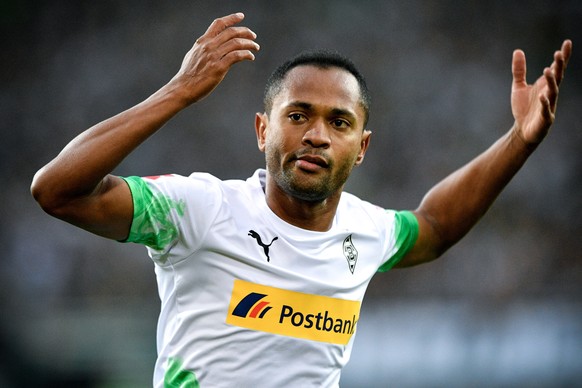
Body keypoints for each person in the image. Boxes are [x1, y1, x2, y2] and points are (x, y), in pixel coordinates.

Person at [31, 12, 571, 387]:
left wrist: (518, 142)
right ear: (263, 130)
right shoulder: (199, 210)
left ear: (361, 149)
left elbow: (436, 225)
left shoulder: (367, 230)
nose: (317, 134)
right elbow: (57, 190)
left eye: (338, 122)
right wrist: (179, 91)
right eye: (298, 115)